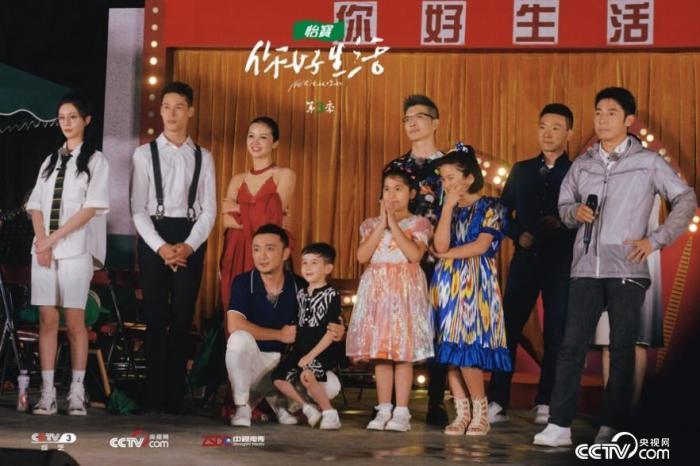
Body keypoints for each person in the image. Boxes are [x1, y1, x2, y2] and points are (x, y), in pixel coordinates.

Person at [534, 87, 697, 447]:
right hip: (584, 269)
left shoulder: (648, 162)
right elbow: (564, 206)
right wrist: (574, 213)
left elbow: (686, 198)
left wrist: (655, 240)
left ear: (628, 120)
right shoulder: (584, 163)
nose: (603, 119)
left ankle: (612, 425)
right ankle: (559, 424)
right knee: (571, 345)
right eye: (598, 112)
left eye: (611, 113)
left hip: (626, 268)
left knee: (622, 348)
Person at [130, 81, 216, 414]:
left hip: (190, 236)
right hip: (155, 236)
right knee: (155, 317)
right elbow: (137, 209)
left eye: (178, 107)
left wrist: (189, 246)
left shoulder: (203, 156)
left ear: (190, 111)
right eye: (166, 107)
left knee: (182, 317)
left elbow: (209, 210)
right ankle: (153, 393)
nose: (171, 113)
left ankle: (175, 394)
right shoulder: (144, 154)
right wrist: (161, 248)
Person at [487, 104, 577, 425]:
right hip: (525, 261)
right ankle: (497, 400)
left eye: (556, 127)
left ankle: (546, 401)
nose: (548, 134)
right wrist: (517, 234)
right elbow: (502, 212)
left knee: (556, 331)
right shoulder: (522, 170)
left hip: (561, 262)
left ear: (569, 133)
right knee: (507, 328)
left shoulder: (578, 171)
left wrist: (562, 226)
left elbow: (585, 217)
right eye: (543, 126)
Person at [26, 93, 110, 415]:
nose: (66, 123)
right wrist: (42, 241)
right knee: (47, 320)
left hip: (75, 250)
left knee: (75, 321)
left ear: (86, 120)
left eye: (72, 117)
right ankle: (47, 393)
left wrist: (53, 239)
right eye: (61, 117)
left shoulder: (96, 161)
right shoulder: (50, 160)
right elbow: (35, 205)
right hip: (44, 252)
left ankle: (76, 391)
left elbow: (89, 210)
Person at [225, 224, 345, 427]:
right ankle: (243, 407)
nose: (262, 256)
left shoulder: (301, 285)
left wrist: (338, 330)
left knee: (331, 385)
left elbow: (325, 321)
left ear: (285, 253)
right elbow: (234, 324)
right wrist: (279, 335)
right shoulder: (244, 282)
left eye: (270, 249)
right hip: (257, 362)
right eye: (256, 249)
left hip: (290, 360)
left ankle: (282, 406)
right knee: (238, 339)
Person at [430, 144, 511, 436]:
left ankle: (481, 411)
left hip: (475, 281)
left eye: (451, 177)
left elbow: (481, 246)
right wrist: (448, 207)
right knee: (450, 351)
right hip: (447, 282)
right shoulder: (448, 209)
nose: (446, 183)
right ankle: (462, 413)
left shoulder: (491, 206)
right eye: (443, 178)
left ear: (469, 178)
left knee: (468, 348)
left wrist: (446, 255)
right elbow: (439, 244)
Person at [346, 168, 434, 432]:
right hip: (378, 292)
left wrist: (393, 224)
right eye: (387, 189)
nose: (392, 195)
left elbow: (414, 255)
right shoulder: (369, 224)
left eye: (398, 189)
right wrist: (381, 224)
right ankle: (384, 408)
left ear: (411, 193)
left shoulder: (420, 223)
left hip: (404, 291)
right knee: (381, 353)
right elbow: (362, 256)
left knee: (403, 353)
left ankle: (402, 411)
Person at [383, 94, 448, 426]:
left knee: (436, 327)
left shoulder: (450, 166)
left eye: (419, 117)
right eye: (407, 118)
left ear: (435, 123)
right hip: (399, 260)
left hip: (438, 258)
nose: (412, 123)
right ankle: (392, 404)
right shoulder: (396, 168)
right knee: (395, 325)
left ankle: (437, 400)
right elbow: (387, 211)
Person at [219, 116, 296, 309]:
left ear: (275, 143)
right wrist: (260, 213)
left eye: (263, 137)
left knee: (268, 307)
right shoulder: (237, 179)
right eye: (251, 136)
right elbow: (226, 221)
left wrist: (238, 208)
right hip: (236, 248)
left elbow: (271, 220)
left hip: (267, 249)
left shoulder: (284, 175)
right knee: (236, 307)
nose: (255, 142)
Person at [272, 242, 343, 430]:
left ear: (328, 268)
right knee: (278, 378)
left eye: (314, 263)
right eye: (304, 263)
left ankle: (329, 412)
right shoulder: (301, 294)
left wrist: (310, 356)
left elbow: (331, 332)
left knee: (307, 375)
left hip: (321, 350)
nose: (308, 267)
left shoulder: (332, 294)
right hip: (300, 349)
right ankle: (307, 407)